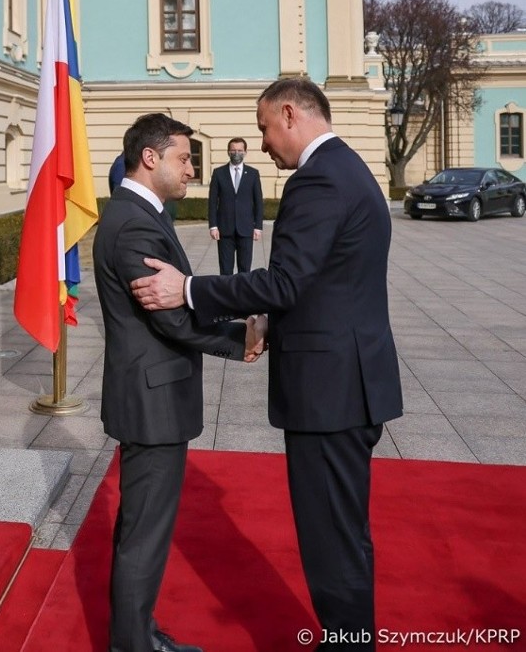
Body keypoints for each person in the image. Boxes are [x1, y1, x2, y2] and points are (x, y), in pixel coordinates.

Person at [130, 78, 403, 650]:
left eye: (262, 128)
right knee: (343, 534)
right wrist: (271, 325)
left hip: (330, 393)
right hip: (348, 381)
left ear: (289, 114)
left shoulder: (319, 178)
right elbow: (330, 282)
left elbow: (283, 281)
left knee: (332, 542)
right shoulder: (351, 168)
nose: (261, 143)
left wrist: (191, 290)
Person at [93, 112, 266, 652]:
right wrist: (242, 339)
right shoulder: (135, 223)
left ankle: (136, 632)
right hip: (152, 399)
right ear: (150, 158)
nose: (192, 168)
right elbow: (170, 315)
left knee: (140, 525)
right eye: (184, 157)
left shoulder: (141, 213)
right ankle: (133, 645)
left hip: (151, 392)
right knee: (145, 533)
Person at [208, 137, 263, 274]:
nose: (236, 153)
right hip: (224, 229)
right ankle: (225, 295)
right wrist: (213, 226)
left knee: (245, 269)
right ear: (228, 152)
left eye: (239, 150)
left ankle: (242, 295)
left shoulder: (253, 174)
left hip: (246, 229)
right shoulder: (219, 173)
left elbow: (258, 202)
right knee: (225, 270)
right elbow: (213, 201)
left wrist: (258, 227)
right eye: (233, 150)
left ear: (245, 152)